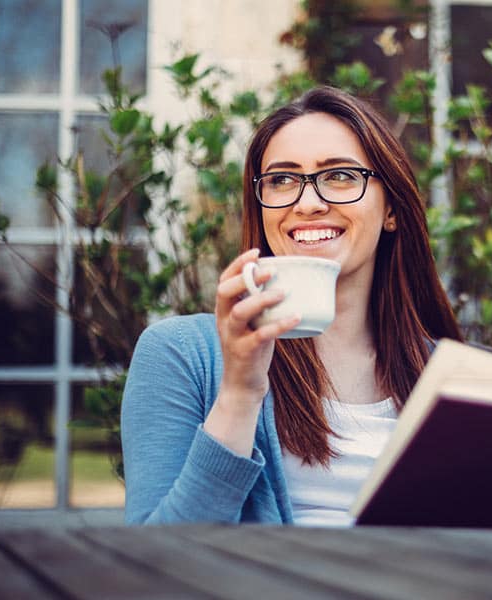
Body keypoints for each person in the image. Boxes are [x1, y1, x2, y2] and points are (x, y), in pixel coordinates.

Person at [121, 86, 462, 525]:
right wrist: (240, 393)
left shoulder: (451, 377)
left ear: (392, 207)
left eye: (340, 175)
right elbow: (154, 568)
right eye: (281, 180)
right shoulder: (184, 354)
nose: (308, 203)